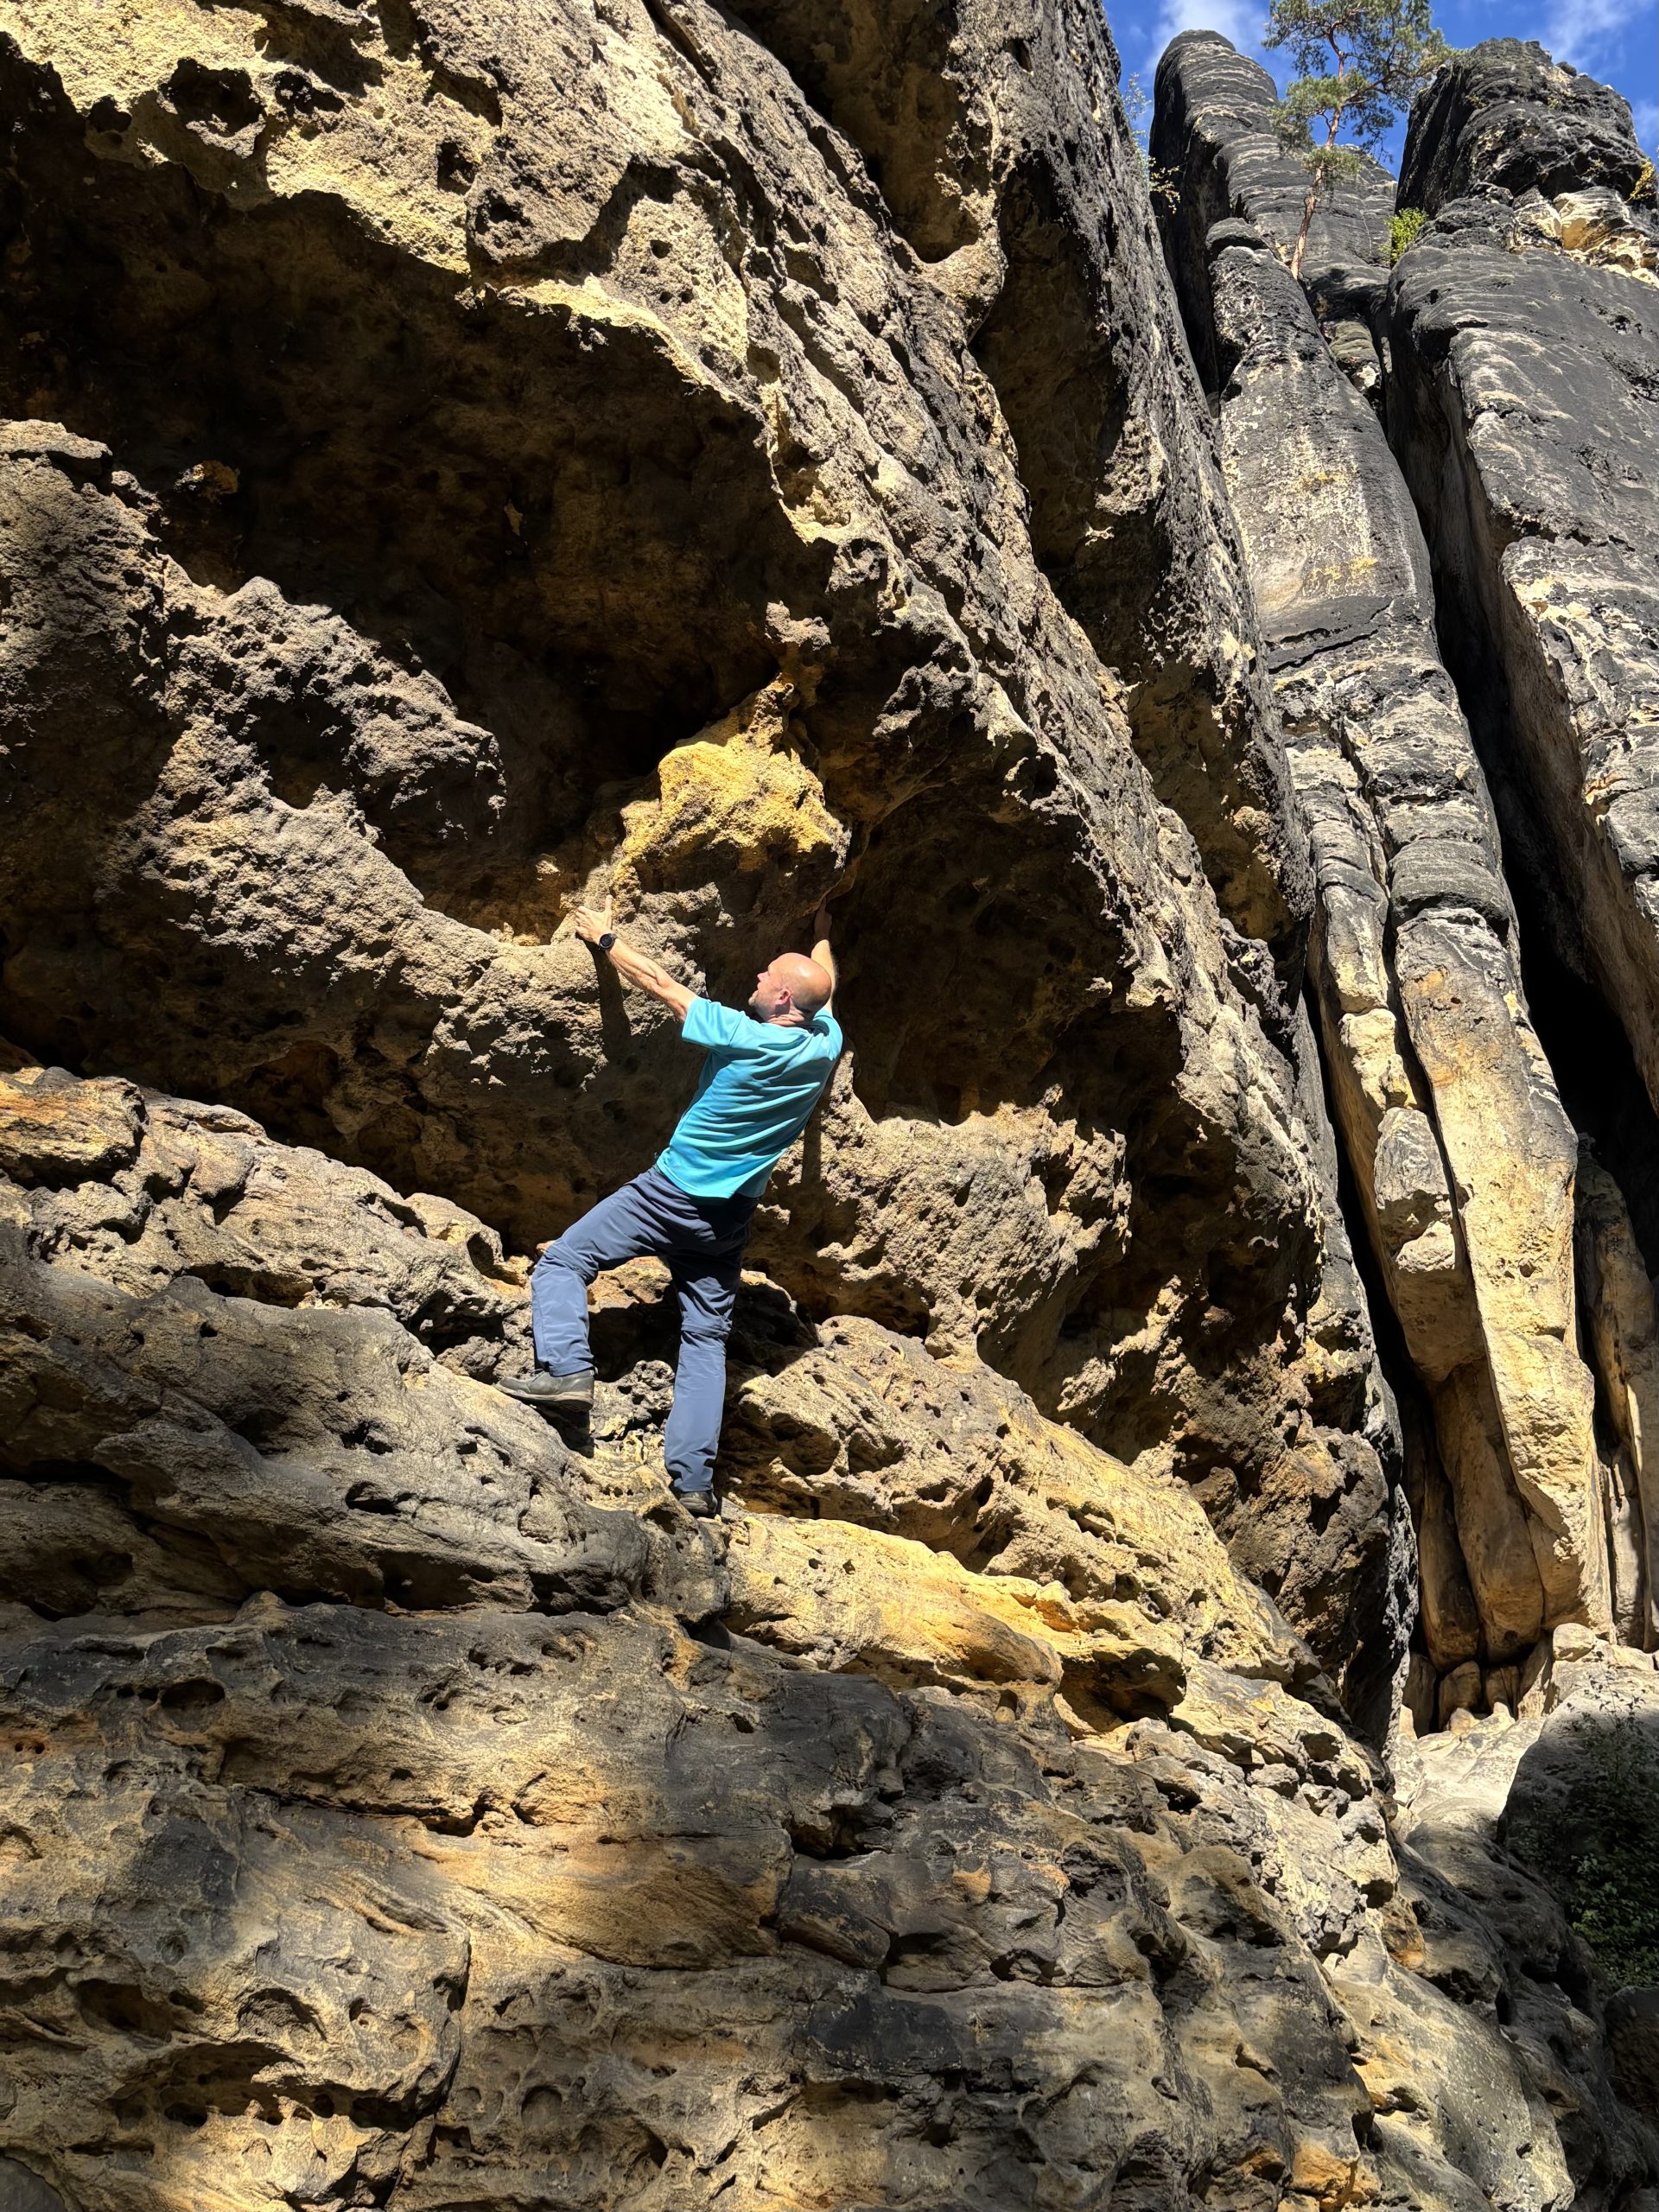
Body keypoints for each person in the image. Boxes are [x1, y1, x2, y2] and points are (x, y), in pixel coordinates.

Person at [501, 900, 841, 1517]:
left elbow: (664, 987)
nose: (757, 980)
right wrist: (820, 933)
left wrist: (606, 939)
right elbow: (827, 983)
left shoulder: (743, 1036)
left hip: (670, 1193)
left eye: (768, 977)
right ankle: (692, 1485)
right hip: (731, 1216)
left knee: (563, 1263)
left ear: (785, 1001)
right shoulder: (824, 1043)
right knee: (706, 1337)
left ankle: (567, 1373)